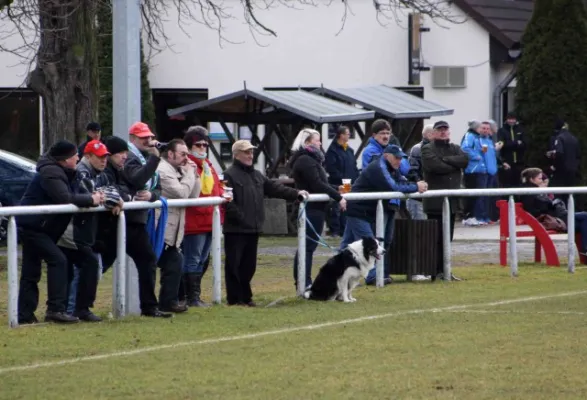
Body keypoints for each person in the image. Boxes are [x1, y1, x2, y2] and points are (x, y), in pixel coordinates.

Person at [17, 140, 102, 324]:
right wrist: (91, 199)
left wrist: (102, 197)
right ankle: (55, 310)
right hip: (35, 227)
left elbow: (82, 191)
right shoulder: (51, 173)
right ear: (64, 160)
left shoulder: (66, 172)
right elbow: (64, 198)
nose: (78, 158)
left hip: (44, 228)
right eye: (74, 156)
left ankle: (28, 315)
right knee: (57, 261)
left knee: (34, 271)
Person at [98, 124, 172, 318]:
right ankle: (76, 304)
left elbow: (156, 189)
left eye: (149, 137)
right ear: (132, 138)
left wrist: (152, 197)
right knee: (100, 263)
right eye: (143, 138)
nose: (148, 141)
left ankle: (149, 307)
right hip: (119, 220)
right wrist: (155, 157)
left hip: (135, 221)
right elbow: (138, 181)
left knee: (147, 260)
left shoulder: (143, 158)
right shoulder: (129, 158)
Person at [223, 140, 307, 306]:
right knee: (234, 265)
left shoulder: (257, 175)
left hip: (253, 228)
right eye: (246, 152)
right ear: (236, 154)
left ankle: (246, 297)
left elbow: (275, 188)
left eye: (251, 152)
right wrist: (240, 217)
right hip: (236, 229)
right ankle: (234, 299)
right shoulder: (229, 175)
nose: (250, 155)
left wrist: (296, 193)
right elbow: (227, 201)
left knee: (249, 266)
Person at [343, 145, 427, 285]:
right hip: (357, 210)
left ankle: (339, 274)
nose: (399, 161)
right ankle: (372, 277)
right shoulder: (378, 167)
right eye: (396, 157)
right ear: (387, 155)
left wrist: (415, 184)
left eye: (400, 158)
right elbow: (393, 186)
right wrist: (416, 187)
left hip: (365, 211)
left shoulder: (391, 168)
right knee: (369, 244)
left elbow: (400, 182)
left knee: (347, 246)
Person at [59, 140, 123, 321]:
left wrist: (112, 197)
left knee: (88, 267)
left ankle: (79, 308)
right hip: (73, 230)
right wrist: (111, 198)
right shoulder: (81, 171)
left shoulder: (101, 173)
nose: (104, 161)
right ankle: (75, 309)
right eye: (100, 157)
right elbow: (92, 195)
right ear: (88, 156)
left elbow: (112, 192)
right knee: (83, 267)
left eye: (105, 157)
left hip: (85, 230)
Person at [289, 128, 347, 290]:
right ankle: (303, 282)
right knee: (307, 247)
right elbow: (317, 184)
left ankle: (304, 281)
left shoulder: (310, 160)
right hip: (310, 209)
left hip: (316, 208)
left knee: (308, 247)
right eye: (317, 140)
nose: (320, 143)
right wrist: (338, 196)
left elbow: (321, 184)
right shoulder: (305, 160)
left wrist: (336, 188)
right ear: (307, 142)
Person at [155, 139, 200, 312]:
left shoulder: (179, 169)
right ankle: (166, 302)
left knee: (174, 263)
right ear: (171, 154)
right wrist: (189, 174)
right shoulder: (163, 170)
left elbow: (193, 195)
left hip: (174, 230)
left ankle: (168, 302)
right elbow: (181, 194)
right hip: (162, 228)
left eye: (187, 154)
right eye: (183, 154)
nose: (186, 158)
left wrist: (193, 174)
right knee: (173, 262)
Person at [421, 121, 469, 281]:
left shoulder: (455, 147)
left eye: (445, 130)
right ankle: (434, 272)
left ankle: (446, 270)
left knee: (448, 238)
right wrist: (454, 165)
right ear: (433, 133)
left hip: (452, 202)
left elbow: (465, 160)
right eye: (439, 130)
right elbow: (435, 167)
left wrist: (446, 159)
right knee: (435, 239)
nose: (443, 132)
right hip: (435, 203)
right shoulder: (427, 148)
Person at [183, 127, 224, 307]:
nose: (202, 148)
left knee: (202, 259)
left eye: (205, 145)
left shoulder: (208, 166)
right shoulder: (188, 166)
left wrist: (223, 195)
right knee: (193, 259)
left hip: (210, 221)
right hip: (195, 221)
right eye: (198, 145)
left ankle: (194, 296)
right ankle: (191, 297)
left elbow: (216, 187)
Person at [519, 168, 587, 255]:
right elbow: (533, 211)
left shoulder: (538, 190)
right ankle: (584, 249)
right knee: (584, 218)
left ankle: (585, 249)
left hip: (557, 216)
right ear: (531, 179)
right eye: (539, 179)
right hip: (552, 219)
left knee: (584, 219)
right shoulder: (528, 192)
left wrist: (553, 202)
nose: (542, 180)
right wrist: (550, 204)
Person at [325, 125, 358, 237]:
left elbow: (353, 166)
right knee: (336, 205)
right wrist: (341, 179)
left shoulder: (349, 150)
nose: (349, 135)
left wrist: (355, 179)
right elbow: (331, 167)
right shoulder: (332, 150)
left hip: (348, 183)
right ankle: (335, 230)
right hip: (337, 183)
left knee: (346, 205)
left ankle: (344, 229)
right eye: (348, 133)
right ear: (341, 135)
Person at [547, 118, 581, 204]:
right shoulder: (574, 138)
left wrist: (554, 166)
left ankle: (562, 216)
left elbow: (559, 153)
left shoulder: (559, 138)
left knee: (560, 195)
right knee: (570, 195)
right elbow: (578, 155)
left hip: (561, 171)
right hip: (572, 171)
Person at [407, 124, 433, 220]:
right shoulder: (417, 149)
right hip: (419, 196)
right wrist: (420, 185)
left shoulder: (436, 149)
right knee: (419, 228)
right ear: (430, 135)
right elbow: (413, 171)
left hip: (429, 196)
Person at [497, 112, 526, 188]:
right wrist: (516, 143)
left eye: (513, 119)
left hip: (519, 162)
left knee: (518, 184)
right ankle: (506, 199)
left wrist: (511, 143)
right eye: (509, 119)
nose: (511, 121)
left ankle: (517, 199)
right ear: (506, 120)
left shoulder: (521, 130)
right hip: (507, 162)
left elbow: (525, 144)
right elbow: (502, 144)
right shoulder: (502, 130)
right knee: (507, 184)